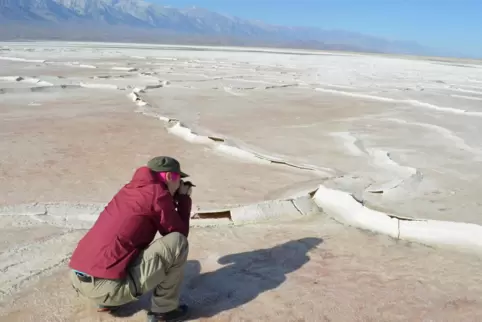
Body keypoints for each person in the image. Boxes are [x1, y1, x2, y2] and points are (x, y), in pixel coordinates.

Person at [69, 156, 193, 322]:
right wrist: (183, 200)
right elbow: (178, 232)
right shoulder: (158, 194)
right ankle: (164, 310)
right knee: (177, 244)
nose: (179, 185)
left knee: (126, 242)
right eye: (179, 179)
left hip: (78, 279)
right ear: (170, 177)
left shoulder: (129, 190)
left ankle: (105, 301)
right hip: (105, 288)